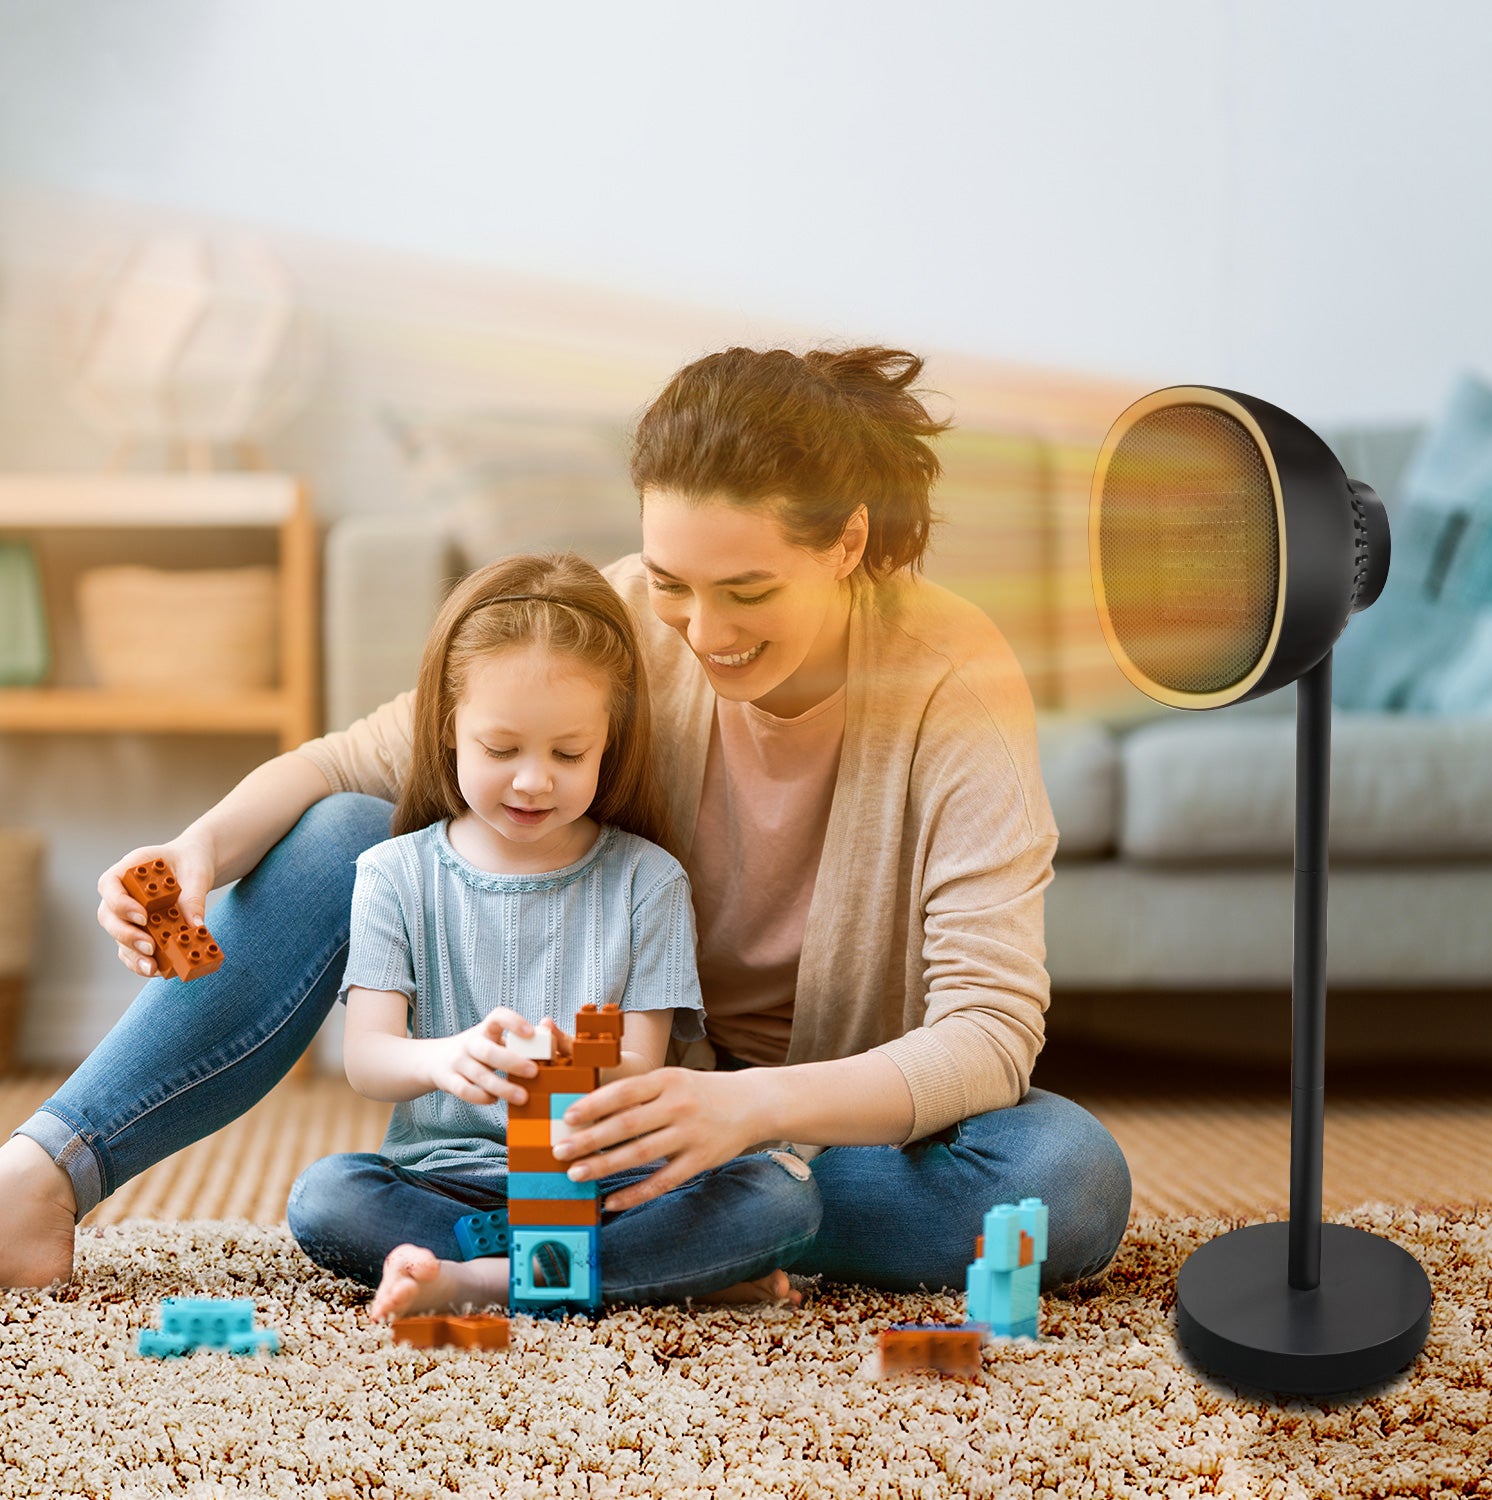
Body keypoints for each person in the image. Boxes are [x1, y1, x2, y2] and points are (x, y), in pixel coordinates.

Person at [1, 343, 1132, 1299]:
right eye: (676, 580)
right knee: (344, 829)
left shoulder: (956, 684)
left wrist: (743, 1111)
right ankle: (45, 1172)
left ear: (846, 542)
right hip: (606, 1123)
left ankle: (682, 1227)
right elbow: (352, 760)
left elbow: (988, 1033)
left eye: (746, 590)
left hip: (818, 1113)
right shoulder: (632, 615)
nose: (701, 628)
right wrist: (198, 850)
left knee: (1067, 1179)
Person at [285, 552, 814, 1318]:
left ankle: (484, 1280)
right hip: (449, 1176)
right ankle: (635, 1274)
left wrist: (563, 1071)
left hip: (604, 1180)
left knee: (779, 1198)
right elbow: (368, 1059)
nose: (534, 780)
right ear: (447, 728)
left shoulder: (648, 880)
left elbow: (640, 1062)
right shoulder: (394, 873)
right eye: (502, 750)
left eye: (568, 754)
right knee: (326, 1196)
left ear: (609, 741)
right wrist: (450, 1056)